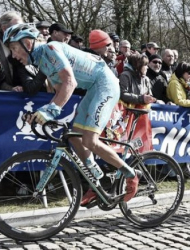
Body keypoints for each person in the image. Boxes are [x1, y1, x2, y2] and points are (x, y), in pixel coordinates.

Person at [3, 24, 141, 206]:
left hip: (106, 85)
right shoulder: (42, 61)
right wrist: (41, 113)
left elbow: (70, 82)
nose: (13, 55)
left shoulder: (50, 49)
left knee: (90, 140)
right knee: (76, 137)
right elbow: (60, 90)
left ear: (28, 43)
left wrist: (51, 111)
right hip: (93, 88)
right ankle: (95, 182)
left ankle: (131, 174)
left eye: (14, 48)